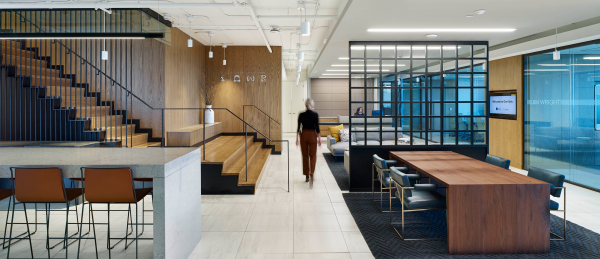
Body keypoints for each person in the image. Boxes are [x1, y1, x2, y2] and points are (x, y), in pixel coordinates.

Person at [296, 98, 321, 184]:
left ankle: (306, 176)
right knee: (313, 155)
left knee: (305, 155)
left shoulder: (301, 114)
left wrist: (297, 139)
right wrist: (319, 139)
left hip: (304, 135)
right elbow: (317, 128)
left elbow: (298, 128)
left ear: (305, 105)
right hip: (312, 136)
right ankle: (312, 173)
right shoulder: (315, 115)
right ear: (312, 105)